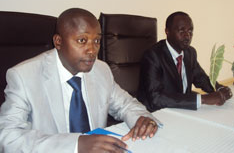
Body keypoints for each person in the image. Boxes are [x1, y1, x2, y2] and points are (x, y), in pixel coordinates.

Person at [0, 8, 160, 153]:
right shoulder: (23, 76)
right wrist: (76, 145)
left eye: (97, 41)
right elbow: (8, 137)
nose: (92, 50)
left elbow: (125, 105)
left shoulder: (101, 70)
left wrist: (141, 119)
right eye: (82, 41)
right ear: (58, 42)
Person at [137, 11, 233, 112]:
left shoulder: (190, 52)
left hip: (181, 109)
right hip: (156, 113)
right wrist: (203, 99)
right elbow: (156, 98)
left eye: (190, 31)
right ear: (167, 31)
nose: (187, 36)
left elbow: (200, 78)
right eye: (181, 31)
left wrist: (219, 88)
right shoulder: (153, 56)